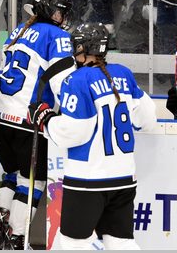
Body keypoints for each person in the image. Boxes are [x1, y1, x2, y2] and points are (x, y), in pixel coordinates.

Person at [28, 22, 157, 250]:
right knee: (120, 242)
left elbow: (73, 133)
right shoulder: (124, 74)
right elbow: (148, 120)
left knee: (73, 244)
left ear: (83, 49)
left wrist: (45, 119)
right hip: (124, 177)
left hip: (87, 180)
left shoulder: (77, 80)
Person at [0, 0, 76, 250]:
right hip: (26, 118)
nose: (62, 17)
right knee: (33, 181)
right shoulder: (57, 35)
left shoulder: (19, 30)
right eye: (60, 12)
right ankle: (15, 237)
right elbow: (61, 79)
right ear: (52, 11)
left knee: (12, 173)